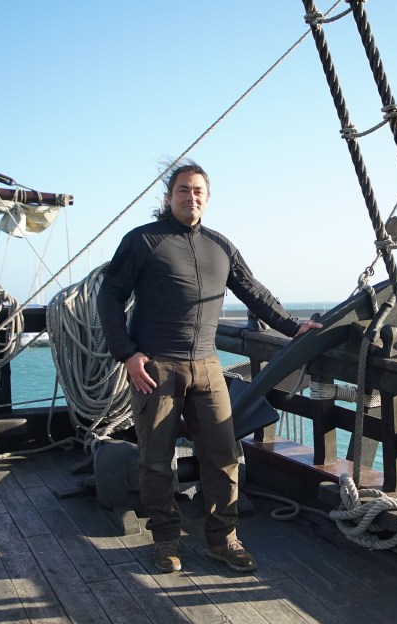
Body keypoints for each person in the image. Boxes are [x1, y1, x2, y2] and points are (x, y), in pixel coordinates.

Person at [97, 161, 321, 573]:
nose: (191, 197)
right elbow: (109, 298)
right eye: (183, 190)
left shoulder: (219, 245)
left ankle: (224, 539)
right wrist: (126, 354)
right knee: (156, 458)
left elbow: (253, 291)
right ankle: (165, 538)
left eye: (198, 191)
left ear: (207, 198)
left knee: (223, 453)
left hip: (207, 364)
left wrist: (293, 327)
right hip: (156, 366)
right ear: (169, 197)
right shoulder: (142, 241)